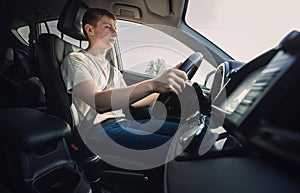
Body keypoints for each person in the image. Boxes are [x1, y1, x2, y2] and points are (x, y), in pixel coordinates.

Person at [61, 8, 188, 151]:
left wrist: (164, 89)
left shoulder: (113, 71)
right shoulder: (76, 61)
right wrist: (153, 84)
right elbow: (98, 102)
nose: (115, 33)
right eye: (108, 27)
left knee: (188, 132)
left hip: (124, 123)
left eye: (115, 28)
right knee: (178, 148)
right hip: (98, 130)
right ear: (90, 30)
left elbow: (135, 101)